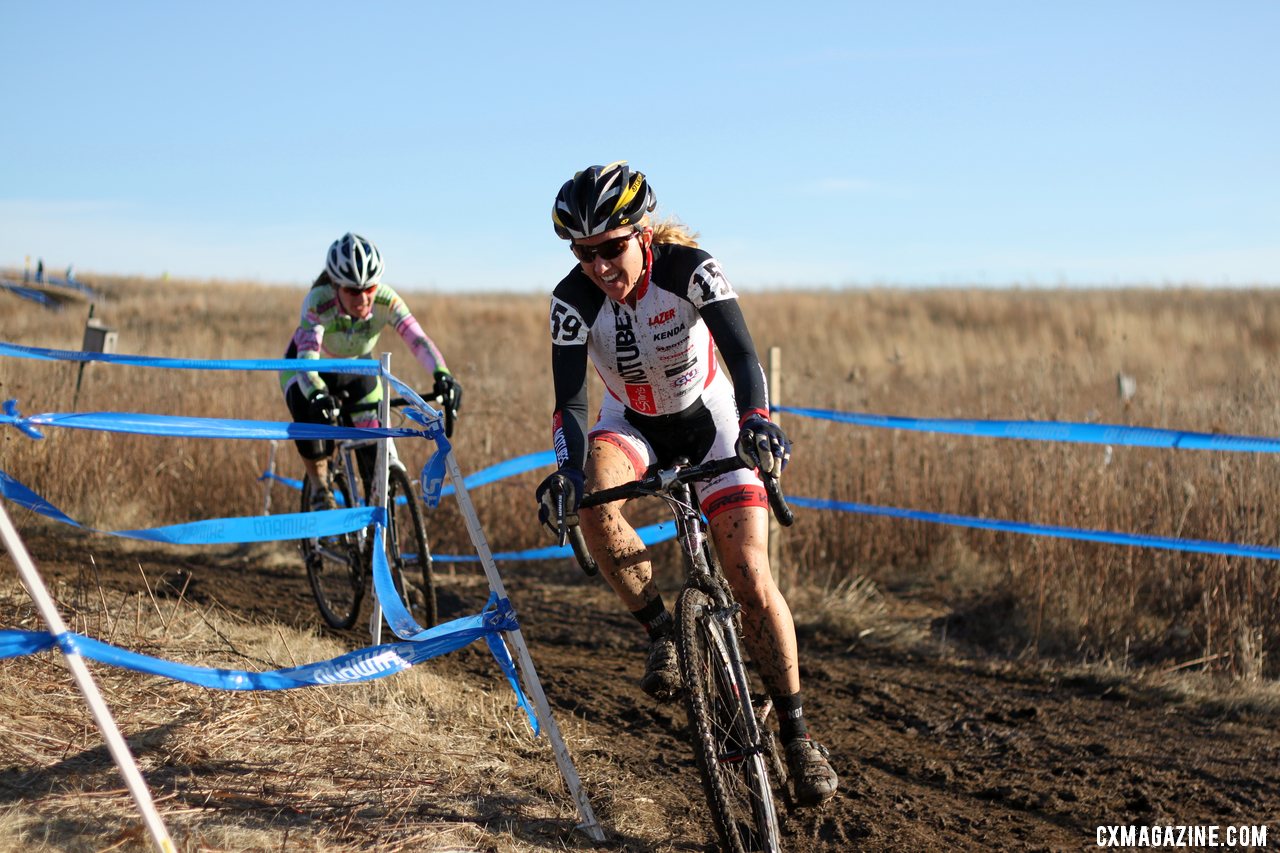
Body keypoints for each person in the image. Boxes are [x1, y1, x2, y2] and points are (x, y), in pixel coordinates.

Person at [534, 162, 838, 806]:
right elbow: (571, 405)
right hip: (631, 423)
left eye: (611, 248)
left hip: (712, 420)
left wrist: (757, 421)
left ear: (640, 232)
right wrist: (565, 470)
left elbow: (744, 355)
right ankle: (663, 636)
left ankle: (796, 735)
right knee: (593, 497)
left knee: (750, 577)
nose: (599, 267)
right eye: (583, 254)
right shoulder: (571, 303)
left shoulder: (689, 268)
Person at [280, 232, 462, 508]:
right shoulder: (319, 301)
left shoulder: (386, 300)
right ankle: (319, 488)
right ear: (335, 285)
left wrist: (442, 374)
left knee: (374, 457)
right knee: (310, 416)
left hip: (357, 370)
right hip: (307, 370)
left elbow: (417, 340)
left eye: (370, 288)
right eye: (353, 291)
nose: (363, 298)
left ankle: (371, 531)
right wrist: (317, 394)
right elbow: (307, 358)